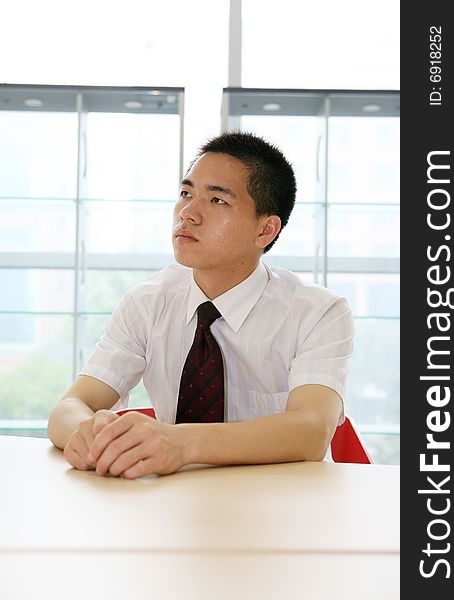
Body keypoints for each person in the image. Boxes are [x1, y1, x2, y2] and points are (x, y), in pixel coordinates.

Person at [48, 131, 354, 479]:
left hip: (280, 509)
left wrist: (180, 443)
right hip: (170, 505)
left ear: (265, 231)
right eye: (185, 193)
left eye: (217, 201)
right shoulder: (147, 302)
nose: (188, 213)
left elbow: (311, 431)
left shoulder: (317, 313)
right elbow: (70, 406)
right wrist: (87, 434)